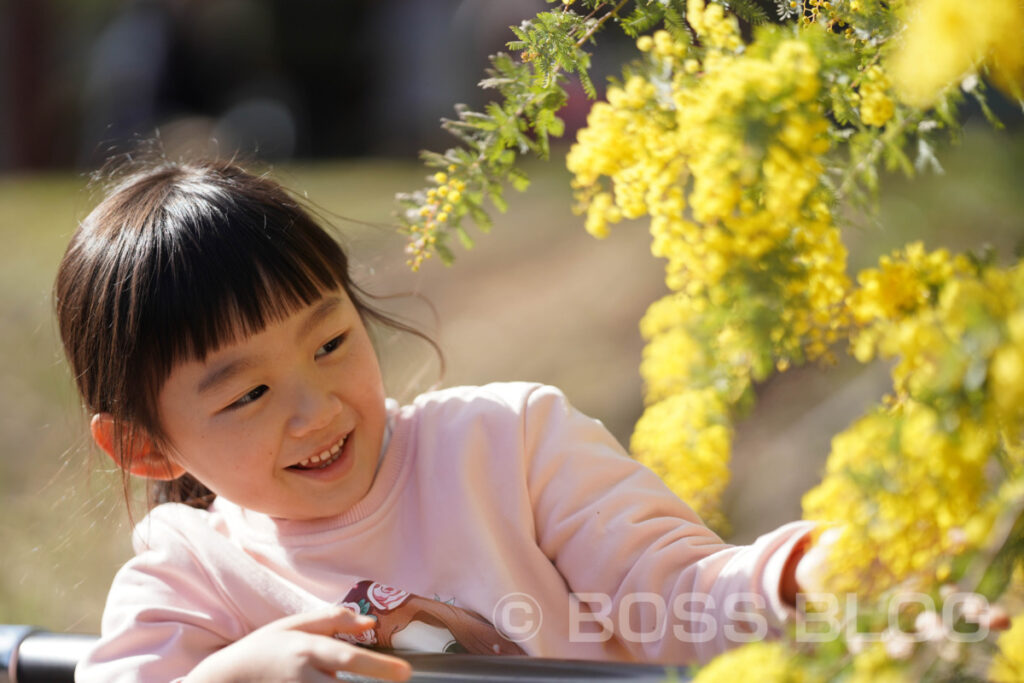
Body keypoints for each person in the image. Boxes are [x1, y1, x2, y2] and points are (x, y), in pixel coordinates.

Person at [57, 157, 815, 682]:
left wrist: (803, 576)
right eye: (248, 395)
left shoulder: (509, 444)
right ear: (144, 446)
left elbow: (683, 597)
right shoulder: (187, 580)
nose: (316, 409)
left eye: (330, 343)